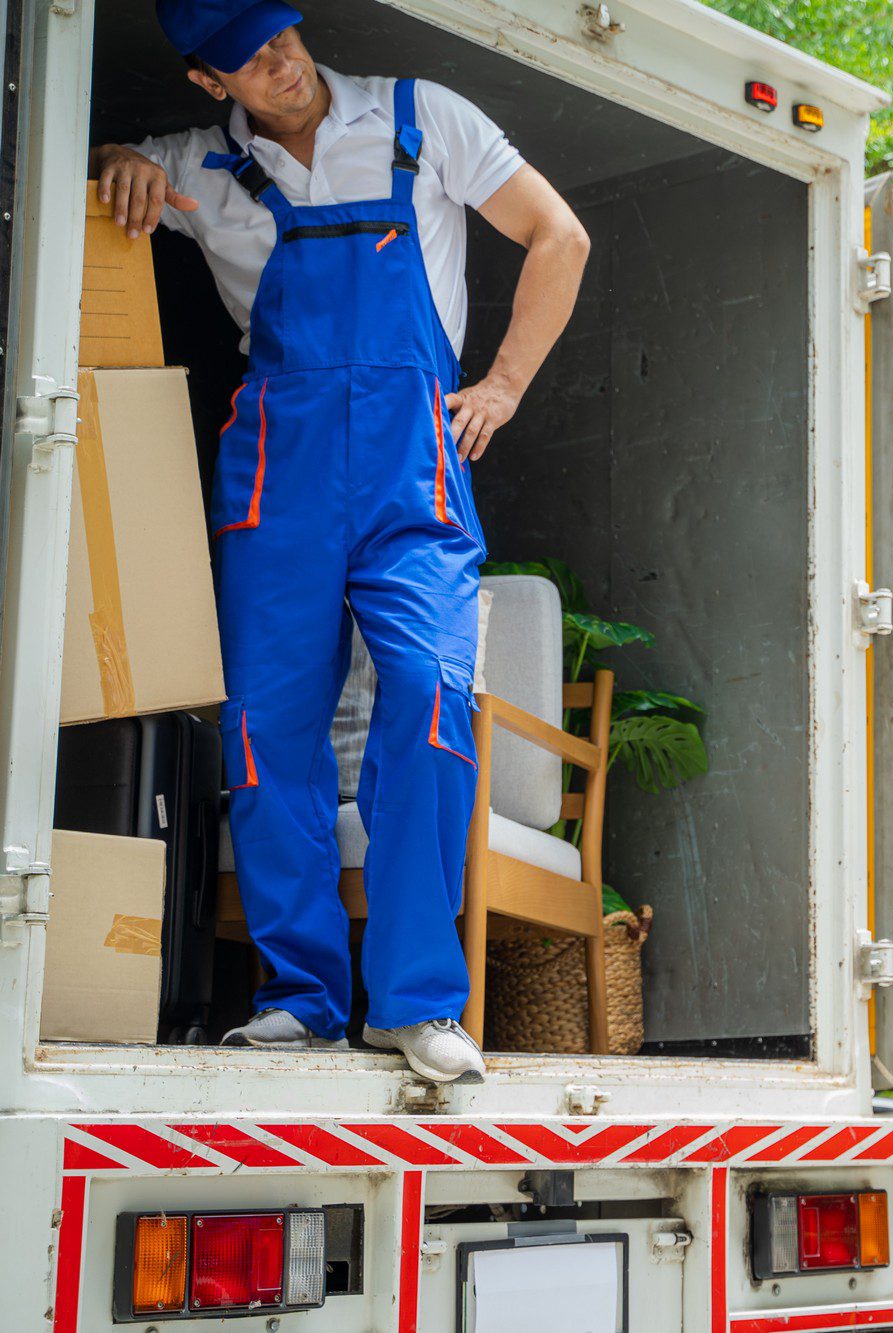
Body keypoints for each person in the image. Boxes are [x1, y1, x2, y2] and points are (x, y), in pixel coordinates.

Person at [89, 1, 591, 1082]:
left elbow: (561, 233)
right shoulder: (198, 168)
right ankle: (301, 995)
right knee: (270, 729)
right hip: (280, 476)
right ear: (207, 82)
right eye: (249, 59)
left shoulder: (423, 120)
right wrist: (118, 159)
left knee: (428, 695)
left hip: (415, 473)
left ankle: (414, 1000)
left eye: (284, 35)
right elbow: (100, 165)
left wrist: (501, 384)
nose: (281, 62)